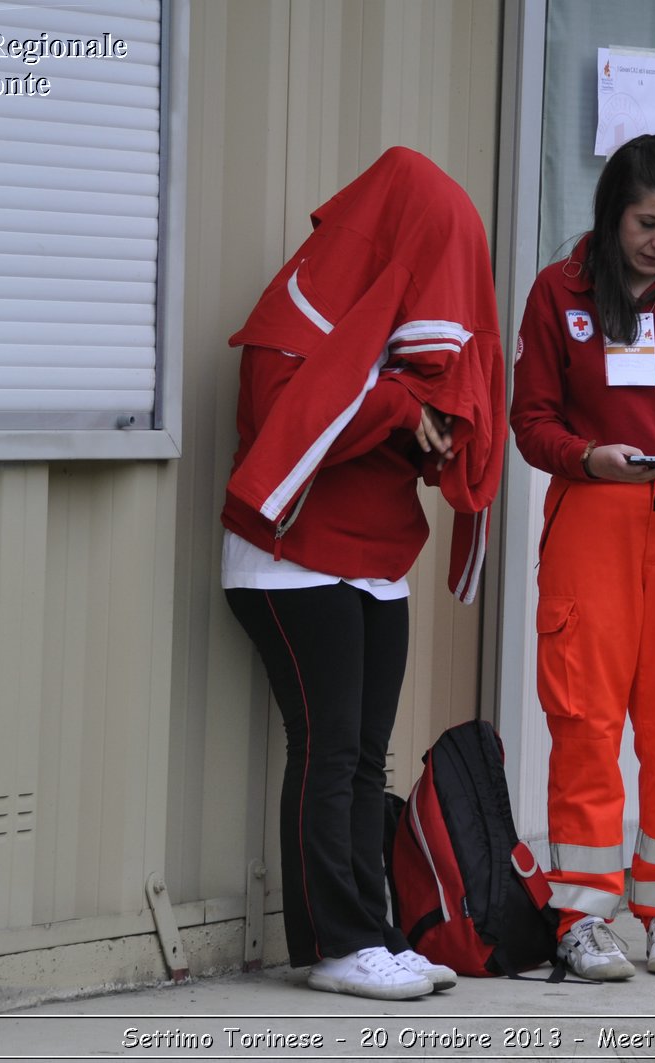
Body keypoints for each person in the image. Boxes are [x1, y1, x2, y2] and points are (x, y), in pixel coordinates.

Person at [222, 147, 505, 1000]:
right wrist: (399, 407)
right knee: (328, 750)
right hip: (288, 565)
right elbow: (286, 414)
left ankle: (371, 929)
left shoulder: (392, 325)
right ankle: (335, 945)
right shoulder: (301, 305)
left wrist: (440, 431)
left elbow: (403, 417)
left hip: (379, 562)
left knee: (365, 759)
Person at [509, 134, 655, 980]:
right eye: (650, 223)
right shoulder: (558, 292)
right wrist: (586, 456)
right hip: (596, 518)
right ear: (614, 211)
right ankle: (580, 915)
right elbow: (530, 419)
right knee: (586, 719)